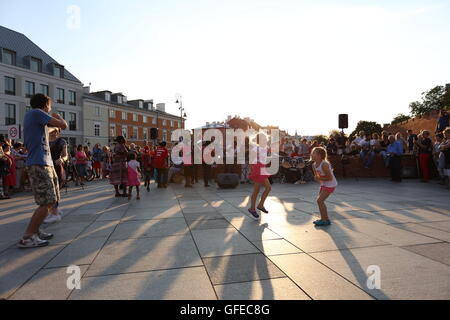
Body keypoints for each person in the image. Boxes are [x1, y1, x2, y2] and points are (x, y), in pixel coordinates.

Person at [19, 94, 67, 248]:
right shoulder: (36, 113)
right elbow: (64, 125)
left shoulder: (37, 119)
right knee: (46, 202)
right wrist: (59, 118)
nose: (50, 109)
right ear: (46, 105)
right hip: (39, 163)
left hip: (46, 163)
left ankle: (36, 230)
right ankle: (28, 236)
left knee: (52, 200)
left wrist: (54, 128)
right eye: (50, 106)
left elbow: (53, 129)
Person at [44, 128, 68, 224]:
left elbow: (66, 155)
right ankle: (54, 211)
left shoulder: (62, 141)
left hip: (57, 166)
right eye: (53, 131)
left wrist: (62, 159)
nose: (55, 133)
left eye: (57, 131)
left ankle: (54, 212)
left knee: (54, 189)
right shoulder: (44, 139)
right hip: (46, 166)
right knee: (48, 189)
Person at [311, 147, 338, 226]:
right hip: (324, 184)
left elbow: (330, 178)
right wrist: (319, 181)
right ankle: (325, 219)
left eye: (313, 153)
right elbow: (317, 176)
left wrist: (319, 178)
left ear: (319, 155)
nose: (311, 154)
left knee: (320, 201)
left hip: (330, 184)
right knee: (320, 201)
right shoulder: (314, 165)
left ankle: (324, 219)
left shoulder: (324, 164)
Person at [248, 141, 272, 220]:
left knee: (266, 188)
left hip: (262, 167)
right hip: (258, 168)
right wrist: (251, 169)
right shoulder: (256, 148)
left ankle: (259, 206)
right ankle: (254, 208)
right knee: (257, 189)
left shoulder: (265, 148)